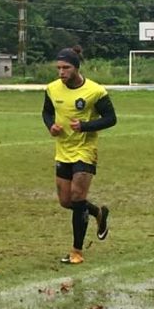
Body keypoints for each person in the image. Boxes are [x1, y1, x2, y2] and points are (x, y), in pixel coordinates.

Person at [42, 46, 116, 264]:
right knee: (66, 201)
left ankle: (76, 251)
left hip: (85, 149)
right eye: (59, 68)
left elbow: (111, 118)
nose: (61, 72)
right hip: (63, 150)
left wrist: (85, 126)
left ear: (76, 68)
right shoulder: (52, 89)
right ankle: (98, 213)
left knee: (77, 196)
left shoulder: (95, 91)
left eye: (66, 68)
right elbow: (46, 111)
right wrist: (50, 126)